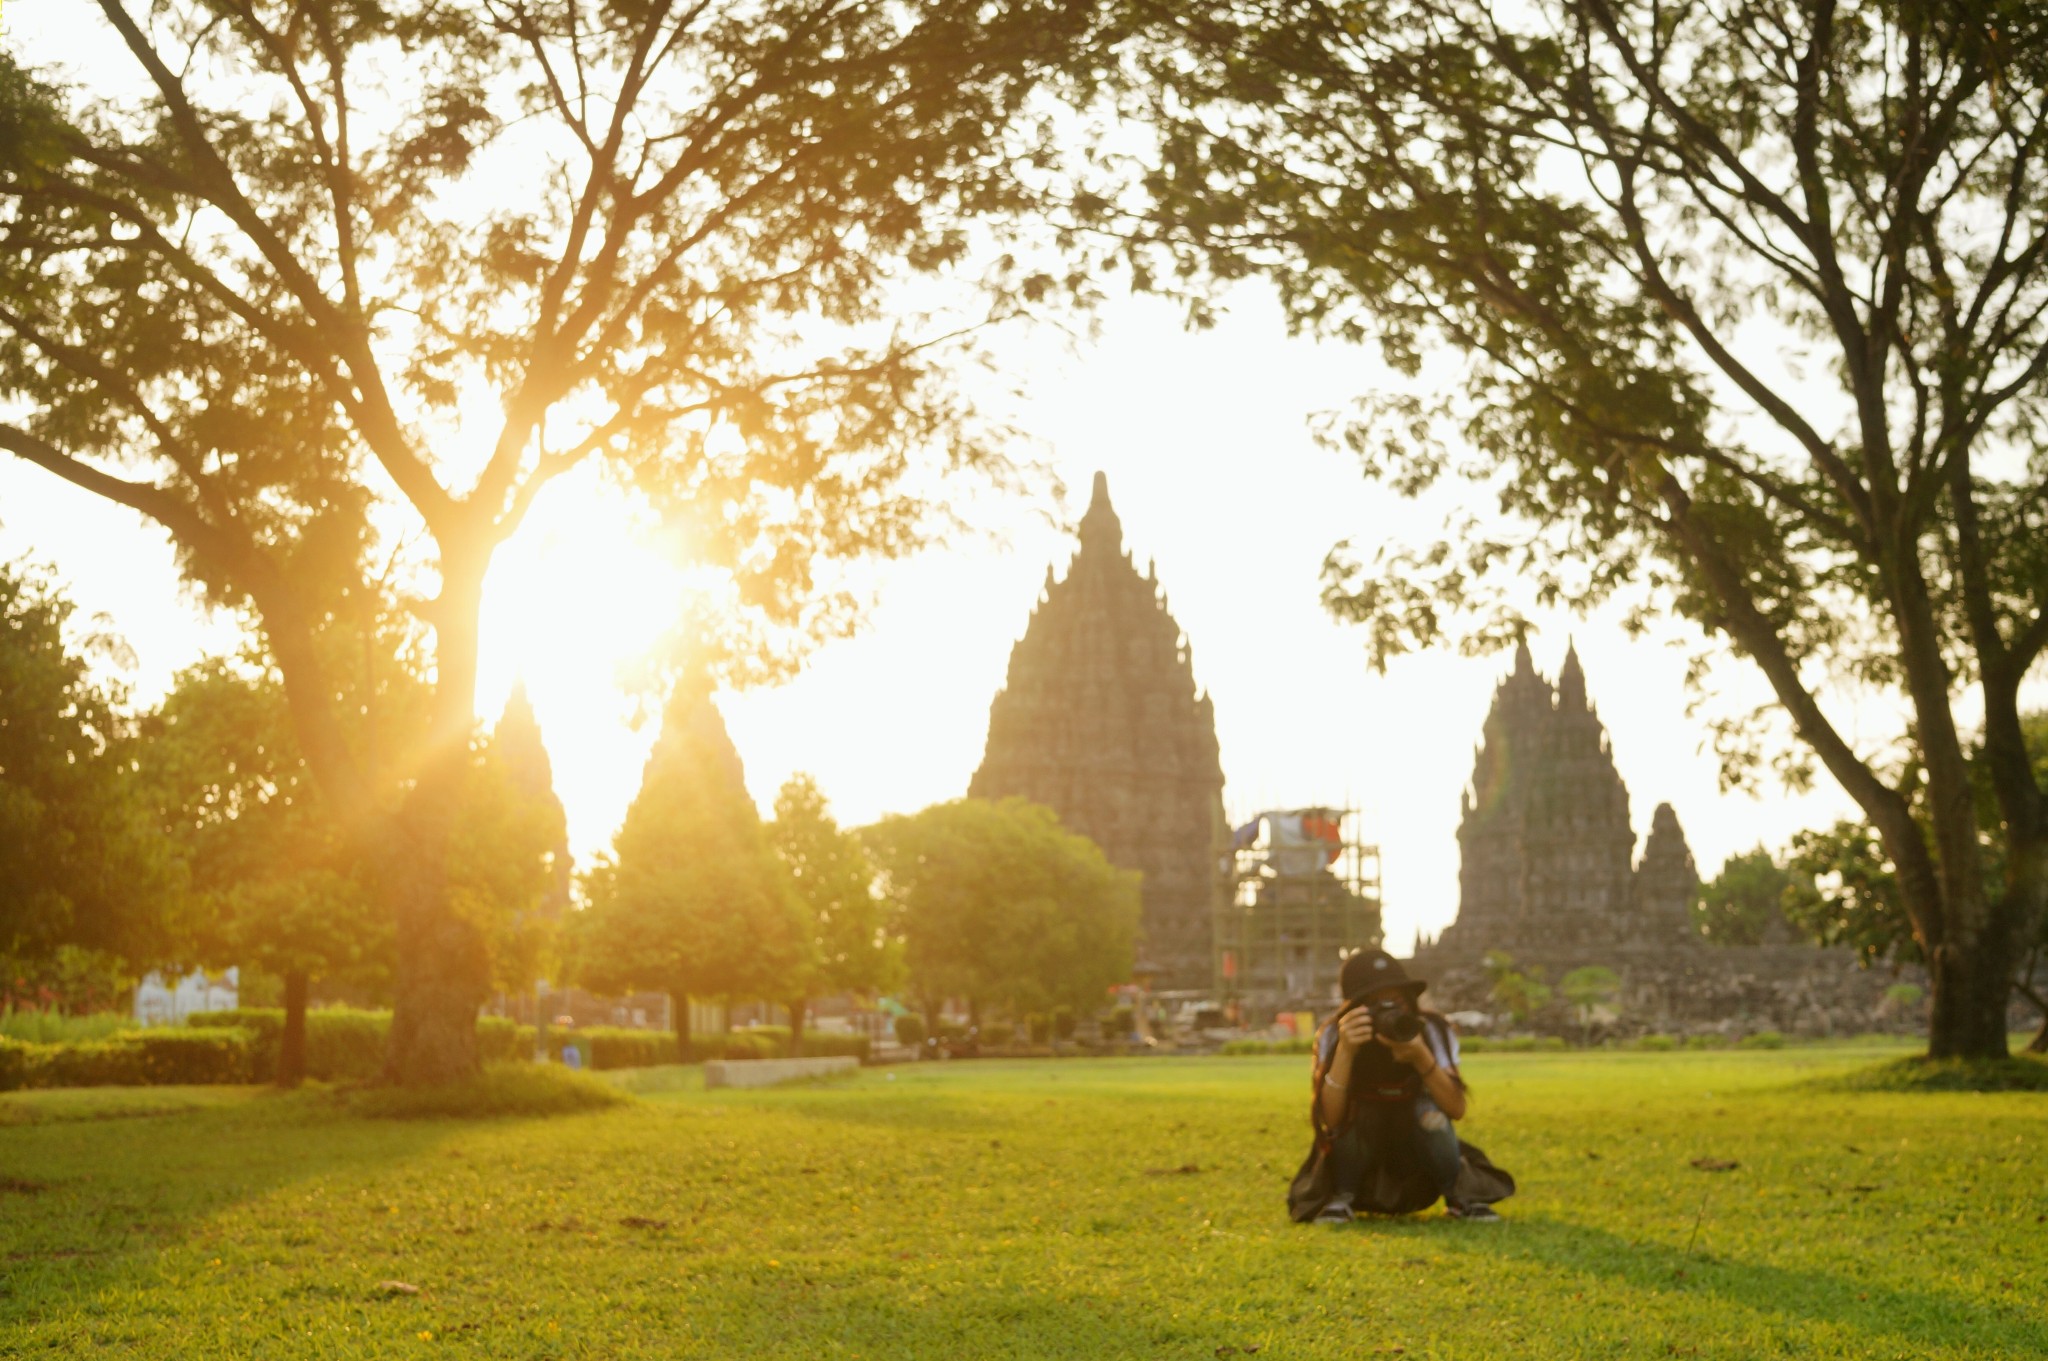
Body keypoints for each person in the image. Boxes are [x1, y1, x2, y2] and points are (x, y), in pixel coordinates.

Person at [1287, 949, 1515, 1225]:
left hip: (1416, 1150)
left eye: (1395, 1001)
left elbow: (1456, 1109)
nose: (1389, 1012)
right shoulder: (1335, 1034)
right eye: (1375, 1004)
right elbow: (1331, 1120)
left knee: (1429, 1112)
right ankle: (1341, 1196)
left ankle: (1458, 1196)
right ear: (1354, 1008)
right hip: (1360, 1146)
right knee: (1355, 1114)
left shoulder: (1431, 1030)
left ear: (1409, 1000)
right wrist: (1346, 1052)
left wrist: (1421, 1056)